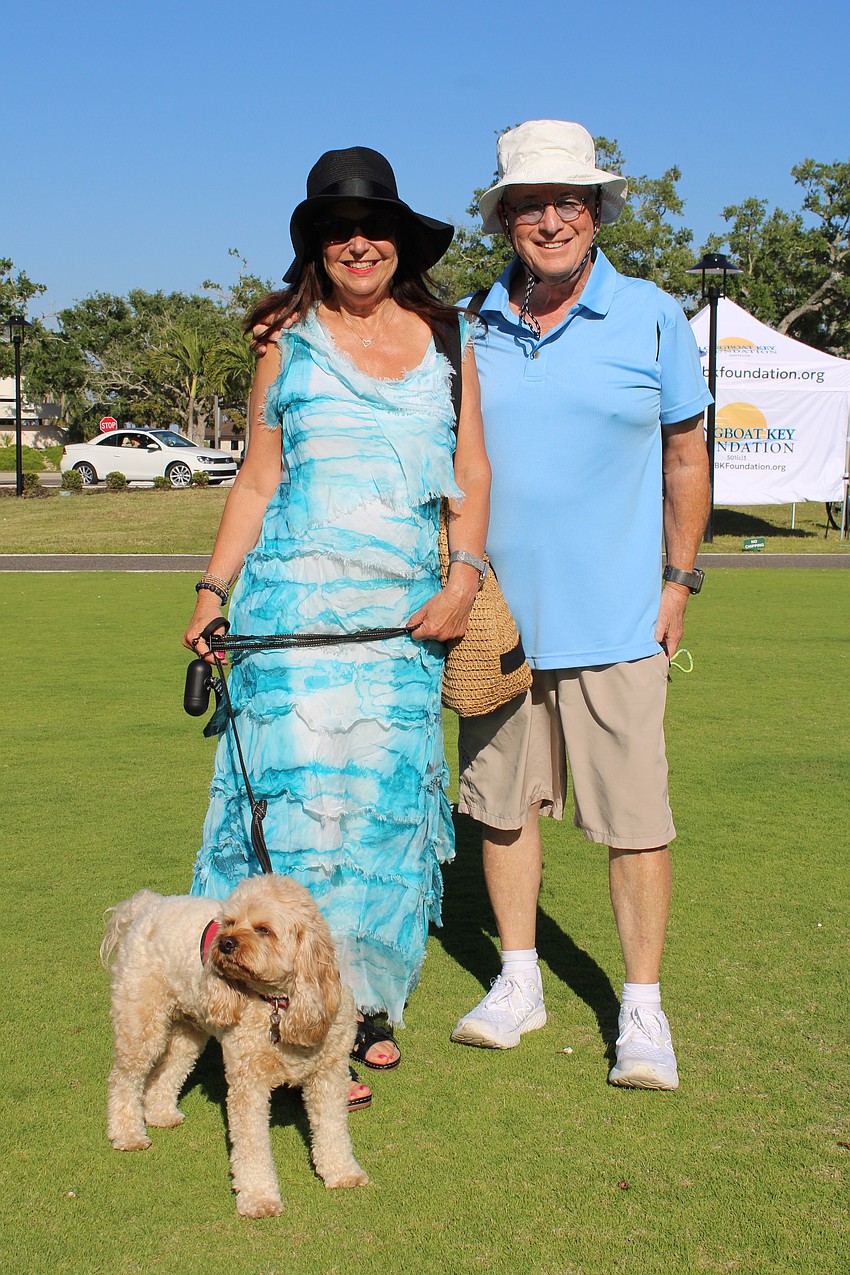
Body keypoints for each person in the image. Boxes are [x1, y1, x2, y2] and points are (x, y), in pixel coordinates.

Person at [183, 147, 490, 1108]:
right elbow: (259, 480)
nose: (359, 243)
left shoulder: (449, 338)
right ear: (318, 245)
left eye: (375, 227)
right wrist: (211, 589)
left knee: (380, 823)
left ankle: (354, 1009)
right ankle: (273, 1031)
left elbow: (471, 478)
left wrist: (462, 580)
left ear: (401, 241)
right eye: (337, 229)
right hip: (293, 622)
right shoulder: (285, 339)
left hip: (402, 629)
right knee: (301, 815)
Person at [449, 121, 712, 1090]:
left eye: (569, 201)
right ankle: (518, 981)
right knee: (501, 811)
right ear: (506, 218)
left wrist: (678, 579)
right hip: (496, 624)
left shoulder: (649, 315)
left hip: (615, 620)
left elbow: (686, 455)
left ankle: (640, 1008)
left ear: (596, 212)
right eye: (530, 204)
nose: (550, 220)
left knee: (635, 822)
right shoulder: (469, 323)